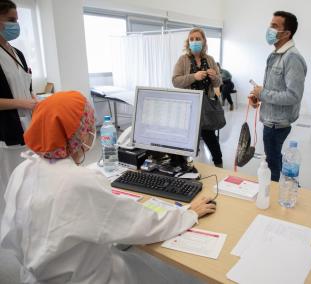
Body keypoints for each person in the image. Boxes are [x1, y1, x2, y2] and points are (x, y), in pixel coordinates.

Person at [0, 91, 216, 283]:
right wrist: (187, 214)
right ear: (79, 134)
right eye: (88, 126)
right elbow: (142, 224)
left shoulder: (23, 169)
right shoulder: (78, 182)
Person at [249, 11, 307, 182]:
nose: (269, 29)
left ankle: (274, 195)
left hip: (277, 124)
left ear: (287, 33)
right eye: (270, 25)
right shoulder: (275, 55)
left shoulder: (292, 58)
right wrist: (259, 96)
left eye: (274, 26)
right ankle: (286, 186)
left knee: (272, 164)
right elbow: (275, 87)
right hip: (270, 120)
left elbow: (293, 95)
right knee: (273, 158)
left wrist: (263, 93)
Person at [0, 0, 37, 213]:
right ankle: (11, 234)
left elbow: (25, 84)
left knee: (28, 181)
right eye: (10, 20)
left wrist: (34, 100)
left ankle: (28, 221)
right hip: (7, 133)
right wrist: (23, 103)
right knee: (10, 186)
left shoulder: (17, 53)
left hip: (27, 127)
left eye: (17, 20)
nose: (16, 25)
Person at [172, 28, 224, 168]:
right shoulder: (183, 60)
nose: (194, 41)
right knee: (185, 139)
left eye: (198, 38)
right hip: (188, 108)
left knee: (210, 137)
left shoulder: (210, 60)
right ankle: (180, 166)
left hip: (205, 108)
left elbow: (218, 83)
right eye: (192, 39)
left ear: (204, 41)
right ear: (188, 42)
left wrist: (215, 77)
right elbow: (175, 81)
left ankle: (219, 164)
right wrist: (193, 77)